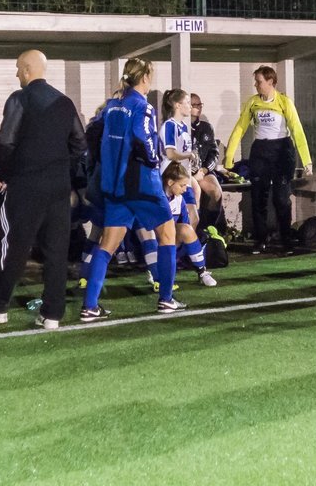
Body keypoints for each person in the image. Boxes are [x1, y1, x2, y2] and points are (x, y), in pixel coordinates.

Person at [0, 49, 87, 329]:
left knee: (14, 246)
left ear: (27, 70)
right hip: (59, 186)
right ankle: (52, 314)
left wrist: (12, 173)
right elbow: (80, 144)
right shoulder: (65, 102)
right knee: (56, 251)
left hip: (27, 185)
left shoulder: (19, 99)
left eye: (17, 68)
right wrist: (60, 166)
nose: (16, 73)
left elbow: (6, 143)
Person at [80, 58, 184, 320]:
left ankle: (90, 306)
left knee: (107, 244)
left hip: (114, 186)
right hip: (141, 184)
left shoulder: (111, 106)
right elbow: (143, 136)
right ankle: (166, 299)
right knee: (167, 234)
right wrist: (153, 159)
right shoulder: (143, 106)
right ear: (145, 78)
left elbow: (92, 132)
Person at [224, 65, 313, 254]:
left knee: (281, 199)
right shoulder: (253, 103)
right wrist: (229, 157)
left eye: (259, 81)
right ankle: (261, 239)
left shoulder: (284, 102)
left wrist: (307, 161)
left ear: (271, 82)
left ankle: (286, 239)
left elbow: (297, 130)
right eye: (256, 81)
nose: (256, 85)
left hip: (281, 150)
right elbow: (240, 128)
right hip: (260, 151)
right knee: (258, 197)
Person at [161, 162, 218, 287]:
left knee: (187, 229)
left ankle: (202, 271)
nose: (185, 189)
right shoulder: (157, 197)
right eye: (182, 185)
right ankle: (156, 270)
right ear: (170, 182)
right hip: (157, 243)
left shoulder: (179, 199)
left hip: (171, 241)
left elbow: (185, 225)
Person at [161, 89, 201, 228]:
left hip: (184, 179)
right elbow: (171, 153)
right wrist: (188, 155)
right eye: (188, 103)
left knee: (193, 218)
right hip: (173, 179)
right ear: (177, 105)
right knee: (171, 223)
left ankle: (185, 248)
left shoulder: (183, 126)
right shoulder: (170, 125)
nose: (191, 107)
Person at [188, 93, 223, 229]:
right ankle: (193, 229)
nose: (199, 108)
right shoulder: (179, 127)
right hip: (186, 172)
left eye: (200, 104)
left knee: (216, 191)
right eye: (195, 105)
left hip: (202, 170)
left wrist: (204, 169)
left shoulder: (206, 128)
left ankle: (209, 228)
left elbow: (214, 152)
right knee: (194, 191)